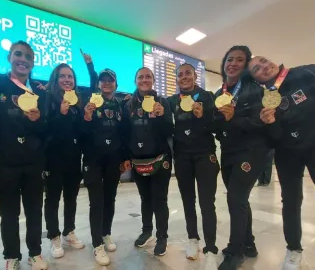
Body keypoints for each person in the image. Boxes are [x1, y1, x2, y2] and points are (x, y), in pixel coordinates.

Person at [249, 56, 315, 270]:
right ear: (257, 80)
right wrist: (270, 123)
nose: (264, 67)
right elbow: (275, 138)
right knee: (290, 203)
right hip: (288, 155)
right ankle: (293, 249)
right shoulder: (266, 98)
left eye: (263, 61)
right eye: (257, 69)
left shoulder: (308, 73)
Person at [0, 41, 48, 270]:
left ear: (33, 63)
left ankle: (35, 253)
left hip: (33, 162)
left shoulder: (39, 92)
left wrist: (39, 119)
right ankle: (12, 256)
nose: (23, 60)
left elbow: (46, 129)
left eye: (28, 57)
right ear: (9, 58)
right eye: (18, 54)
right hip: (4, 163)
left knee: (34, 211)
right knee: (9, 213)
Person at [214, 46, 269, 270]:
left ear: (246, 66)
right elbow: (218, 127)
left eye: (239, 60)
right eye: (229, 59)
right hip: (228, 152)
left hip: (251, 151)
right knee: (240, 200)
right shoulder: (220, 95)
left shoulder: (253, 89)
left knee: (235, 199)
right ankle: (248, 244)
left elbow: (259, 123)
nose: (233, 63)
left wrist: (234, 117)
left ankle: (235, 252)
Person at [44, 52, 98, 259]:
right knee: (53, 199)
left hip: (74, 159)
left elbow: (94, 85)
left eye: (70, 77)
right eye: (63, 76)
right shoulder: (48, 98)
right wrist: (61, 114)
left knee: (71, 198)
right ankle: (54, 236)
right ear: (56, 79)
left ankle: (69, 231)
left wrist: (89, 64)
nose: (67, 80)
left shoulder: (77, 101)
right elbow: (46, 129)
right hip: (53, 159)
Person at [167, 63, 220, 267]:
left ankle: (211, 249)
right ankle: (192, 239)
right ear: (177, 79)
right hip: (182, 157)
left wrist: (203, 116)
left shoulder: (207, 97)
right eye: (180, 75)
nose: (184, 77)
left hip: (205, 155)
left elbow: (216, 127)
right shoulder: (171, 101)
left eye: (188, 73)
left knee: (207, 203)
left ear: (195, 76)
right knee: (188, 201)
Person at [122, 67, 173, 256]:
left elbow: (169, 131)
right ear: (135, 81)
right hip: (138, 160)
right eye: (140, 77)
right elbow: (125, 134)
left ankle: (162, 236)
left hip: (160, 159)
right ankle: (147, 230)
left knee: (160, 199)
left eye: (148, 76)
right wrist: (127, 157)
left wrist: (160, 117)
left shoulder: (163, 102)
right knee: (145, 199)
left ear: (153, 80)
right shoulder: (128, 105)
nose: (144, 79)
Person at [81, 68, 130, 266]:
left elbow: (125, 133)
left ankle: (106, 233)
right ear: (99, 83)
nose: (107, 83)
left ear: (116, 84)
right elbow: (81, 132)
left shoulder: (120, 106)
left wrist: (125, 157)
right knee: (96, 200)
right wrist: (86, 116)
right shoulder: (90, 102)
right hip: (93, 159)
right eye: (103, 80)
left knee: (110, 197)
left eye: (110, 80)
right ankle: (96, 244)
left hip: (113, 159)